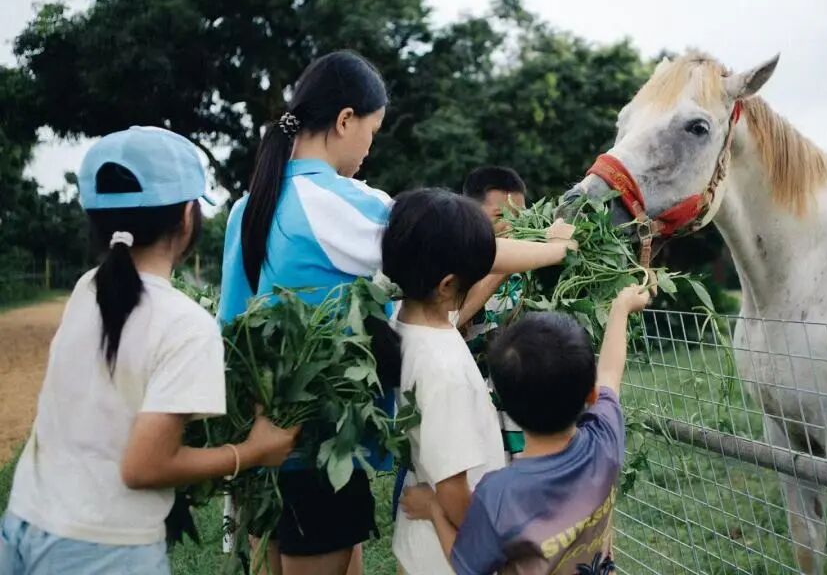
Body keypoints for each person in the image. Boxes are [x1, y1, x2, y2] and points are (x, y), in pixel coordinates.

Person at [219, 51, 577, 575]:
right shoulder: (330, 202)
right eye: (372, 129)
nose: (369, 146)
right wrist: (553, 248)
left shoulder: (247, 207)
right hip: (320, 447)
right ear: (345, 120)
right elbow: (456, 245)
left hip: (266, 448)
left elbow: (230, 328)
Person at [0, 126, 297, 575]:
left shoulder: (88, 289)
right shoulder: (185, 324)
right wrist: (252, 451)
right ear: (186, 218)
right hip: (102, 548)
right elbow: (144, 466)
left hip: (26, 522)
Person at [382, 189, 576, 575]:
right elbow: (453, 496)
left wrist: (552, 247)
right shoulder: (445, 370)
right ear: (448, 285)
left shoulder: (406, 326)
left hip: (420, 543)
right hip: (450, 555)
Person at [400, 280, 653, 574]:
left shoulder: (499, 494)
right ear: (591, 396)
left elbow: (465, 562)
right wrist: (621, 309)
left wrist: (433, 509)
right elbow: (610, 371)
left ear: (505, 404)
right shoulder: (604, 440)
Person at [459, 166, 529, 461]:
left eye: (520, 218)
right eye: (500, 218)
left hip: (518, 418)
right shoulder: (452, 263)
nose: (512, 227)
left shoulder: (530, 264)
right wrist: (506, 264)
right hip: (466, 416)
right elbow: (452, 318)